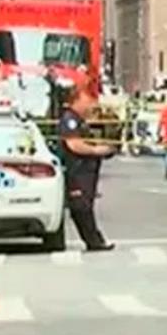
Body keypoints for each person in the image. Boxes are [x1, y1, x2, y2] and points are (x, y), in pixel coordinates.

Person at [58, 87, 115, 251]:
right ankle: (94, 241)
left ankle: (94, 240)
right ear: (76, 101)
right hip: (78, 171)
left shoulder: (80, 120)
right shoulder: (70, 120)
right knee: (81, 206)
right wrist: (97, 150)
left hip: (86, 170)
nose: (90, 105)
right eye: (86, 101)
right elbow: (74, 144)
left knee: (84, 206)